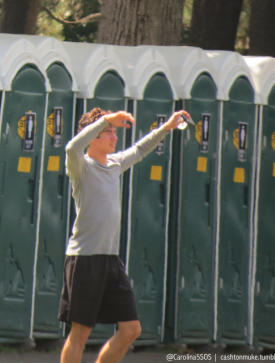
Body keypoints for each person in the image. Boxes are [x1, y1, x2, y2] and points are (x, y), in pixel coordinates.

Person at [59, 108, 190, 363]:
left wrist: (167, 127)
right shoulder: (80, 166)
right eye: (107, 132)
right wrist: (105, 120)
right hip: (84, 259)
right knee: (80, 333)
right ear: (93, 136)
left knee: (131, 329)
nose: (113, 137)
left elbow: (140, 149)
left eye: (114, 132)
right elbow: (71, 147)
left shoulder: (116, 163)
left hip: (110, 261)